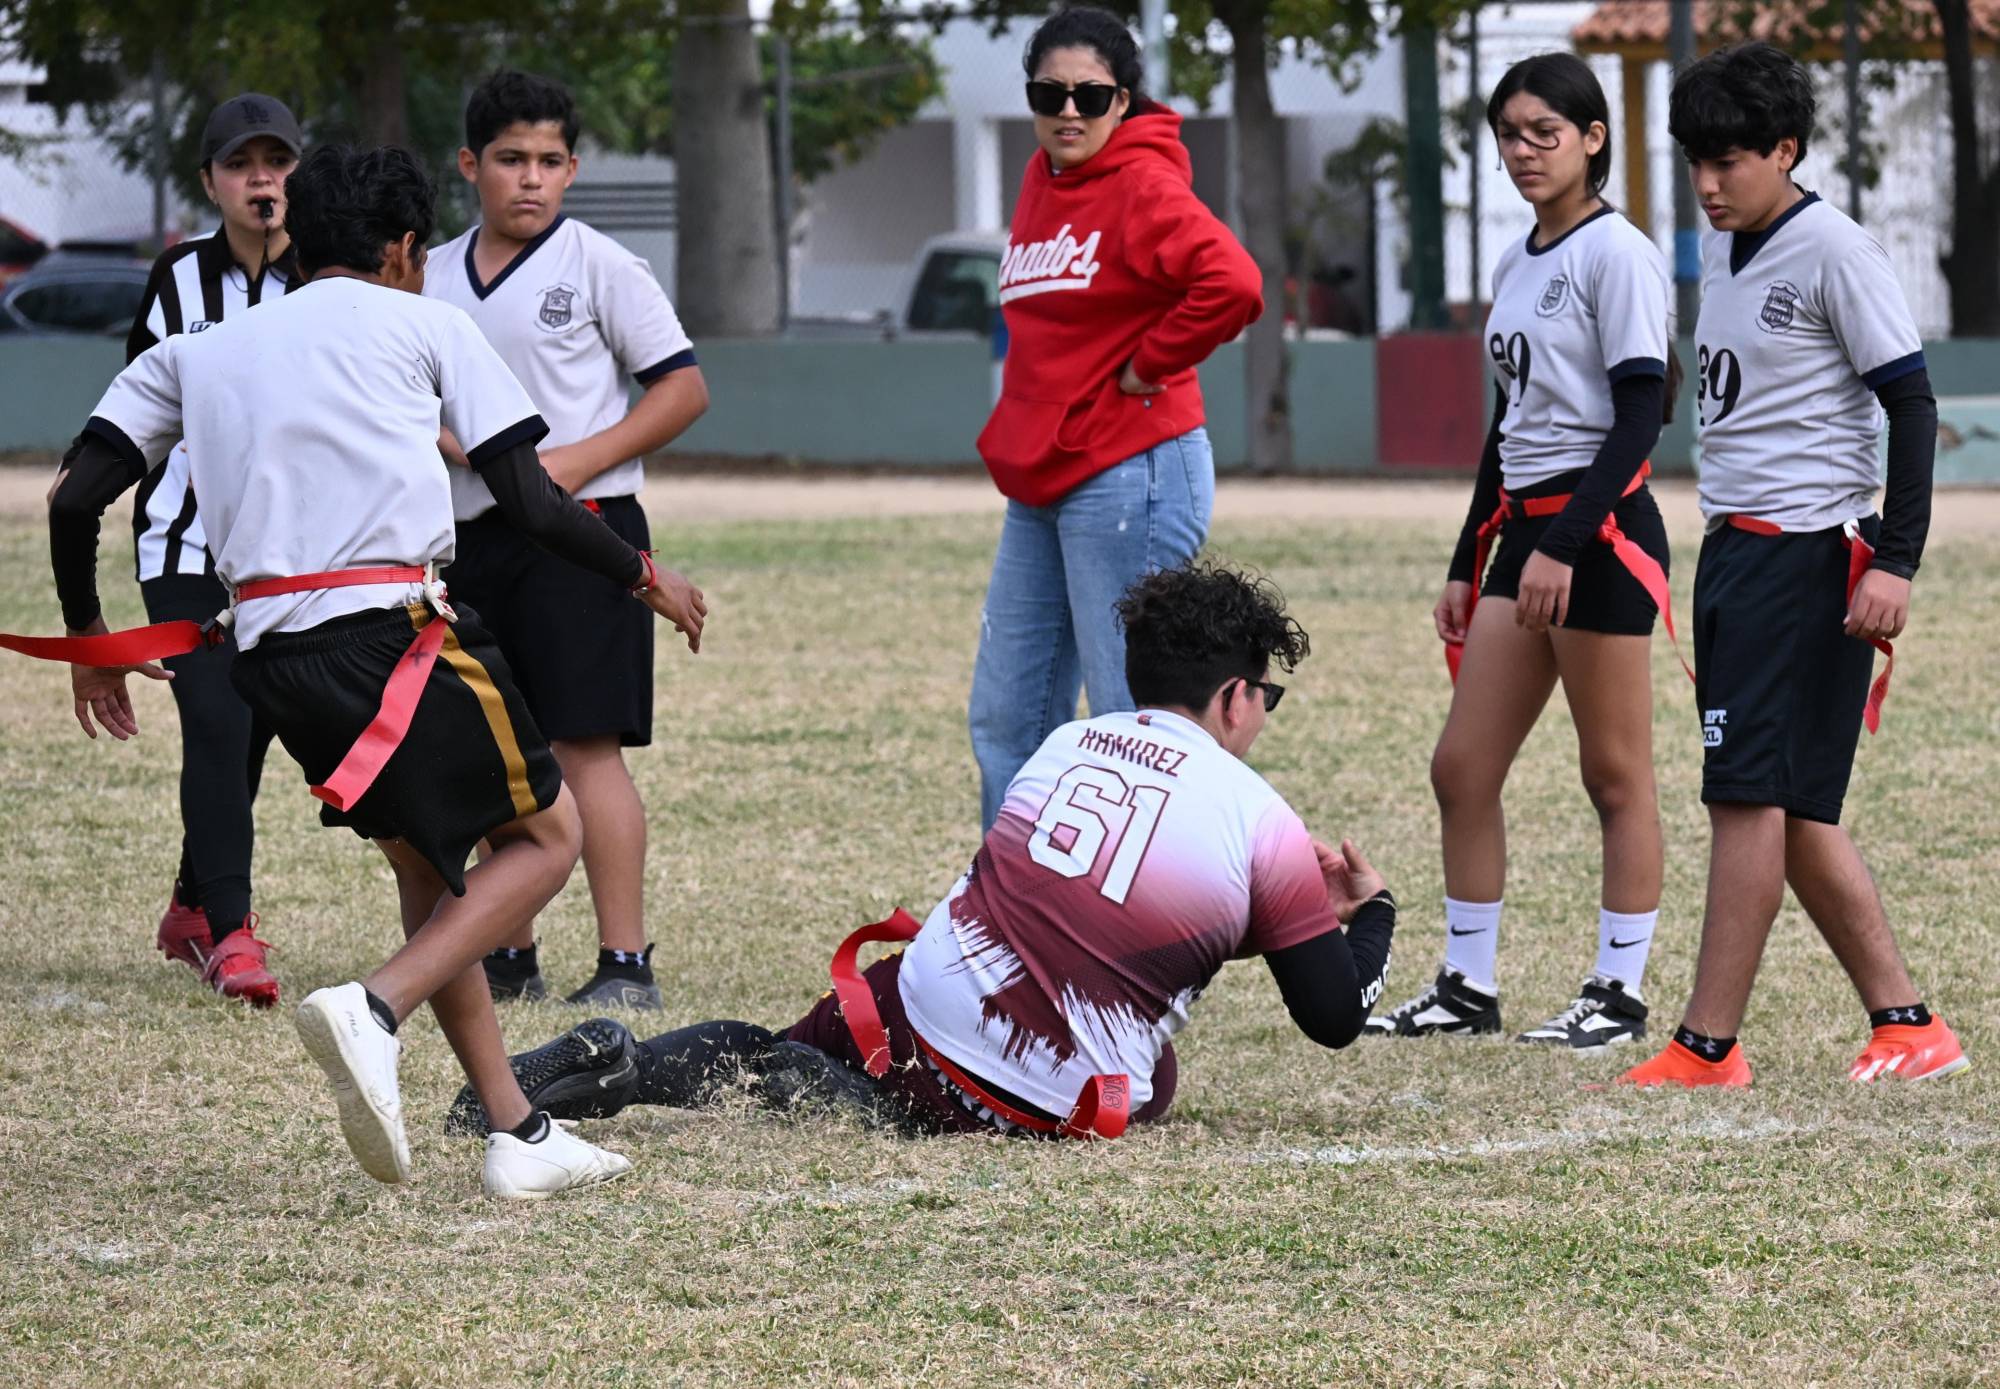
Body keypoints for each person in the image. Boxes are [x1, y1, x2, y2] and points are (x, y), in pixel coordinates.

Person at [42, 144, 708, 1197]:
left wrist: (89, 639)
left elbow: (75, 497)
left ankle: (518, 1136)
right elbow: (529, 502)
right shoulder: (429, 321)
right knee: (545, 838)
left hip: (266, 656)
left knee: (428, 871)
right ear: (405, 248)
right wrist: (643, 575)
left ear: (299, 235)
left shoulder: (203, 347)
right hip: (394, 634)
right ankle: (376, 1007)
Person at [443, 562, 1396, 1143]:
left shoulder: (1067, 744)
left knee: (769, 1046)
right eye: (1266, 694)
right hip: (1026, 1089)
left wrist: (1271, 921)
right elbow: (1334, 1019)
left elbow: (1079, 901)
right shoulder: (1258, 817)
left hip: (916, 997)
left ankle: (626, 1064)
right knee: (1158, 1081)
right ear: (1235, 695)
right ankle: (845, 1103)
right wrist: (1368, 910)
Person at [1620, 43, 1967, 1086]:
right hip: (1735, 552)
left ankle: (1704, 1046)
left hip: (1800, 561)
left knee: (1743, 800)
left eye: (1727, 160)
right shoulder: (1724, 248)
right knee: (1796, 812)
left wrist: (1891, 561)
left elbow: (1910, 403)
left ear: (1786, 149)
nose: (1705, 183)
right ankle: (1906, 1024)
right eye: (1692, 161)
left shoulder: (1834, 250)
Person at [1370, 54, 1676, 1049]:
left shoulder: (1614, 253)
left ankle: (1617, 994)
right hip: (1524, 536)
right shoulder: (1517, 261)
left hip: (1600, 531)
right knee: (1460, 767)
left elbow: (1642, 416)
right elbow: (1508, 432)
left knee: (1613, 774)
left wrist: (1563, 543)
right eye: (1508, 133)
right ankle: (1466, 985)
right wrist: (1470, 560)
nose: (1522, 151)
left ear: (1592, 139)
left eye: (1545, 131)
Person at [426, 71, 710, 1010]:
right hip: (467, 539)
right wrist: (461, 453)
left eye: (550, 161)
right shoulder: (427, 274)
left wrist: (578, 461)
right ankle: (508, 949)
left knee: (586, 752)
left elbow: (680, 390)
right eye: (510, 159)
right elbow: (404, 400)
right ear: (472, 166)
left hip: (586, 535)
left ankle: (624, 961)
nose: (531, 179)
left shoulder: (602, 266)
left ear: (574, 169)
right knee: (492, 748)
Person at [968, 5, 1262, 831]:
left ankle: (1143, 920)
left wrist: (1145, 366)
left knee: (1132, 724)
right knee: (1007, 720)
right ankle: (1017, 914)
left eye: (1090, 98)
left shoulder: (1142, 185)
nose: (1068, 112)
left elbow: (1234, 284)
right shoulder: (1042, 177)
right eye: (1049, 93)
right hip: (1044, 476)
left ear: (1124, 103)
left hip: (1131, 473)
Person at [124, 93, 305, 1006]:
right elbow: (139, 401)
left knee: (259, 720)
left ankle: (193, 902)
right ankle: (231, 936)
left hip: (284, 548)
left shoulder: (323, 275)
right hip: (182, 540)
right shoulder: (177, 278)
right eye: (242, 164)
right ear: (211, 182)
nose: (262, 178)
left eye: (277, 161)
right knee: (219, 716)